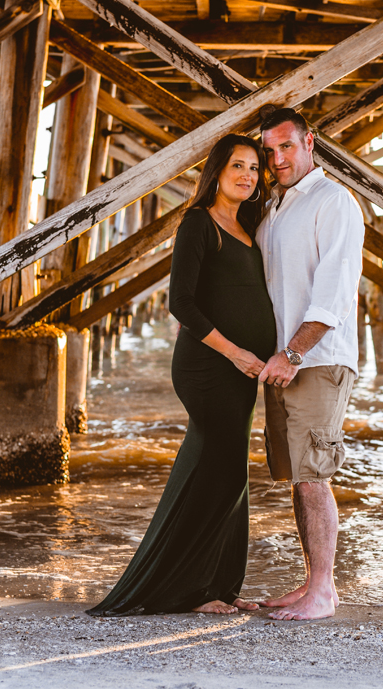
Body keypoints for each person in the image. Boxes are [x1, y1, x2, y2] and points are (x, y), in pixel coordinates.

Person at [90, 134, 276, 617]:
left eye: (255, 169)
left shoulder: (247, 223)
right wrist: (236, 352)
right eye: (237, 166)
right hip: (209, 367)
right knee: (224, 470)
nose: (247, 176)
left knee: (226, 472)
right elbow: (182, 304)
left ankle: (220, 585)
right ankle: (187, 592)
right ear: (215, 171)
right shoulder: (199, 223)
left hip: (240, 371)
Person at [256, 106, 364, 621]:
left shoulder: (332, 201)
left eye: (286, 147)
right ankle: (312, 584)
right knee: (300, 474)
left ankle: (323, 589)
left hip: (315, 359)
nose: (277, 158)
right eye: (269, 150)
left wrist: (295, 352)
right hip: (283, 360)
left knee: (314, 474)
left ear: (310, 142)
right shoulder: (276, 208)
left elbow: (335, 292)